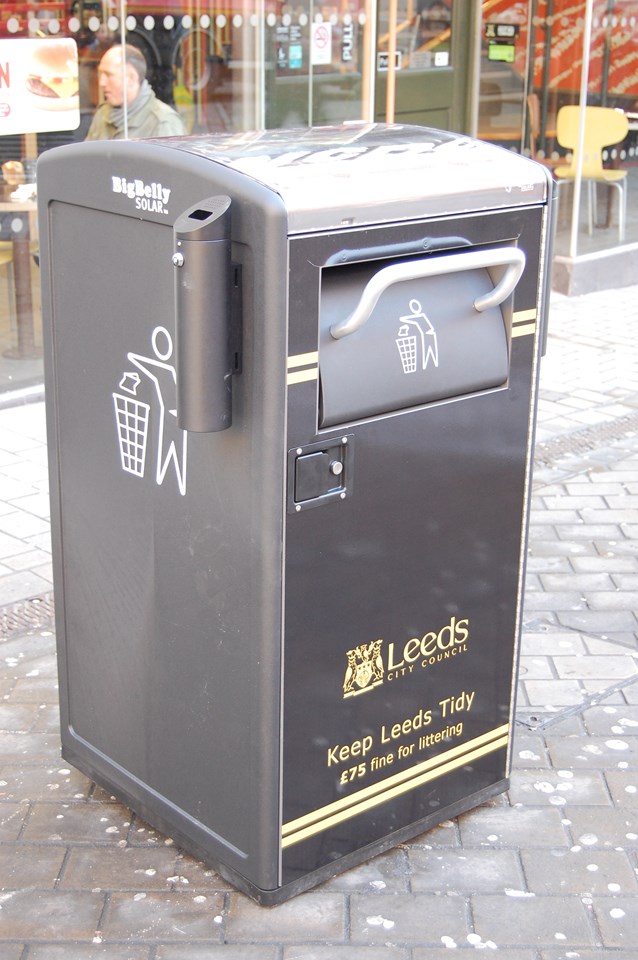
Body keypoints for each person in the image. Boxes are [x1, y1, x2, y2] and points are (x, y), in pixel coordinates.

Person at [85, 44, 185, 141]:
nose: (102, 82)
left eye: (109, 75)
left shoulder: (163, 122)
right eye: (101, 74)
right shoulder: (103, 114)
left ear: (131, 78)